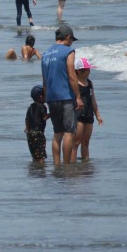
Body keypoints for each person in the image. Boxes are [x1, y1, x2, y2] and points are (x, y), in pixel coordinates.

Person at [41, 24, 82, 165]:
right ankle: (66, 166)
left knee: (57, 133)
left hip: (51, 98)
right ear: (68, 37)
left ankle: (57, 166)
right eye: (72, 40)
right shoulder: (68, 51)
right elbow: (71, 75)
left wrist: (47, 100)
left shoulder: (45, 53)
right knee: (69, 133)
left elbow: (44, 81)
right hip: (66, 97)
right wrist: (78, 96)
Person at [73, 57, 103, 160]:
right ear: (78, 71)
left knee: (85, 142)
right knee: (76, 142)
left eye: (89, 69)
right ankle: (72, 165)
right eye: (87, 69)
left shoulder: (89, 83)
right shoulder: (74, 84)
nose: (89, 71)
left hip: (89, 114)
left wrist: (97, 114)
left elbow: (93, 99)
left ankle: (86, 163)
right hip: (78, 115)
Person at [24, 86, 48, 163]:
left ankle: (35, 168)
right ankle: (41, 169)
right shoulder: (42, 107)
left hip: (30, 133)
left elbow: (27, 119)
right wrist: (53, 114)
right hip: (38, 133)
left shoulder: (30, 107)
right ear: (41, 97)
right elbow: (44, 117)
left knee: (34, 154)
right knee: (41, 155)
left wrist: (27, 128)